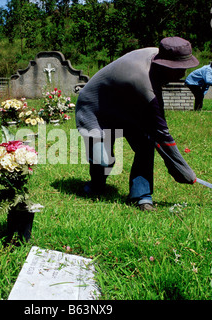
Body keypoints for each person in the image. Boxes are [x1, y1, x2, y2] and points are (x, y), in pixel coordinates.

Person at [75, 36, 199, 212]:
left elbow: (156, 130)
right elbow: (161, 132)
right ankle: (96, 185)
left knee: (145, 144)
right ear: (165, 64)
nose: (182, 73)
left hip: (127, 106)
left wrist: (179, 168)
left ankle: (141, 196)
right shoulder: (142, 81)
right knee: (103, 161)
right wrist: (182, 170)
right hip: (95, 108)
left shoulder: (158, 56)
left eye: (184, 67)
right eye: (178, 69)